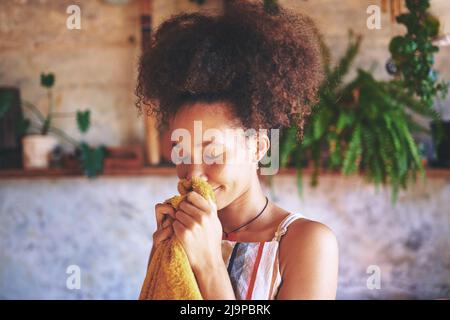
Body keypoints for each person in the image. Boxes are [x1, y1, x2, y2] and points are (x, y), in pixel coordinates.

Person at [136, 0, 338, 300]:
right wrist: (163, 257)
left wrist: (208, 264)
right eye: (183, 152)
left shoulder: (306, 243)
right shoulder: (181, 236)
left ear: (258, 147)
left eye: (213, 153)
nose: (193, 173)